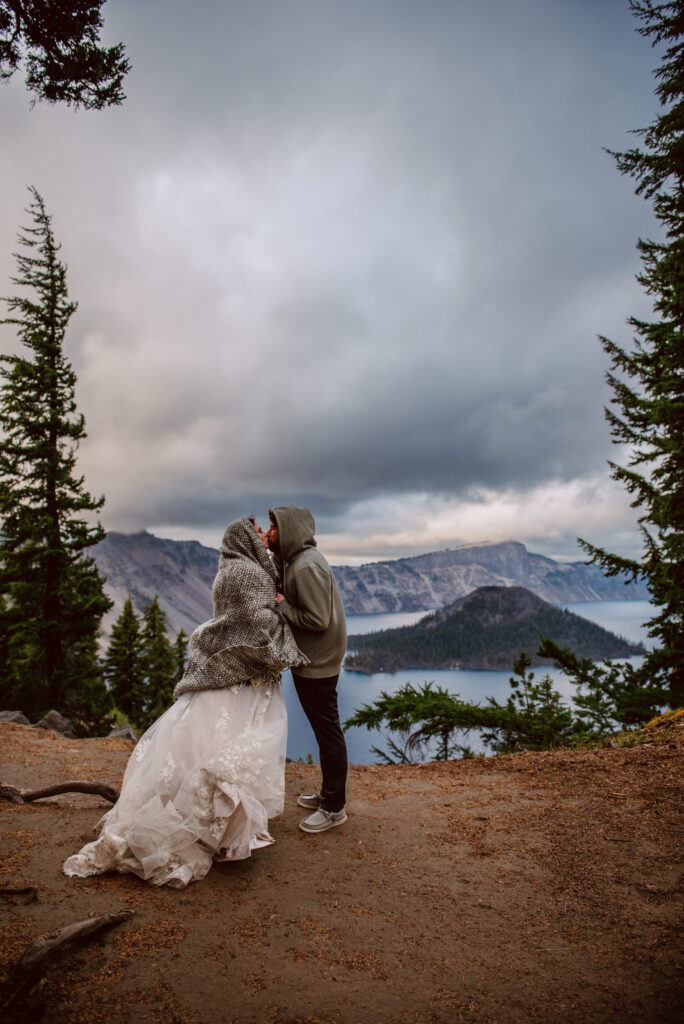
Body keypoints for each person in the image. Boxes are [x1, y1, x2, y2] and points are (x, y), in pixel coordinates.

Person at [63, 517, 308, 888]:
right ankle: (216, 833)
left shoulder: (233, 567)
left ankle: (224, 831)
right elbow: (255, 624)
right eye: (257, 531)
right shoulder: (249, 573)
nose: (264, 536)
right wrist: (288, 630)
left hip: (227, 673)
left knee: (213, 752)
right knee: (228, 755)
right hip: (236, 677)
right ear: (245, 539)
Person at [266, 505, 348, 834]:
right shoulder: (294, 562)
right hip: (313, 657)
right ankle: (329, 794)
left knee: (328, 732)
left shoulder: (305, 567)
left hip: (319, 660)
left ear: (288, 531)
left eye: (274, 528)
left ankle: (334, 808)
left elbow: (317, 620)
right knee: (322, 729)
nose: (269, 533)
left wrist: (281, 604)